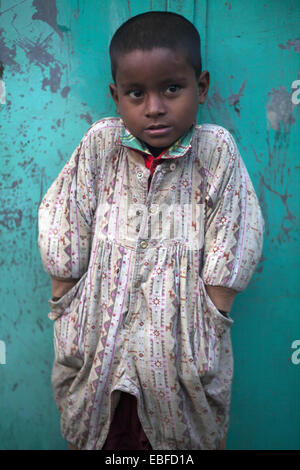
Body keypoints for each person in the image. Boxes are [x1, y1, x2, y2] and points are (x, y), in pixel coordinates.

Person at [38, 11, 264, 450]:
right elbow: (65, 218)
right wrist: (67, 303)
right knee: (101, 433)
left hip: (179, 344)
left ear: (201, 88)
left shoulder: (214, 152)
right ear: (115, 96)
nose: (155, 107)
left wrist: (208, 320)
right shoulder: (101, 144)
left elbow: (235, 234)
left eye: (172, 89)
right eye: (136, 93)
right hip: (98, 335)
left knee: (176, 438)